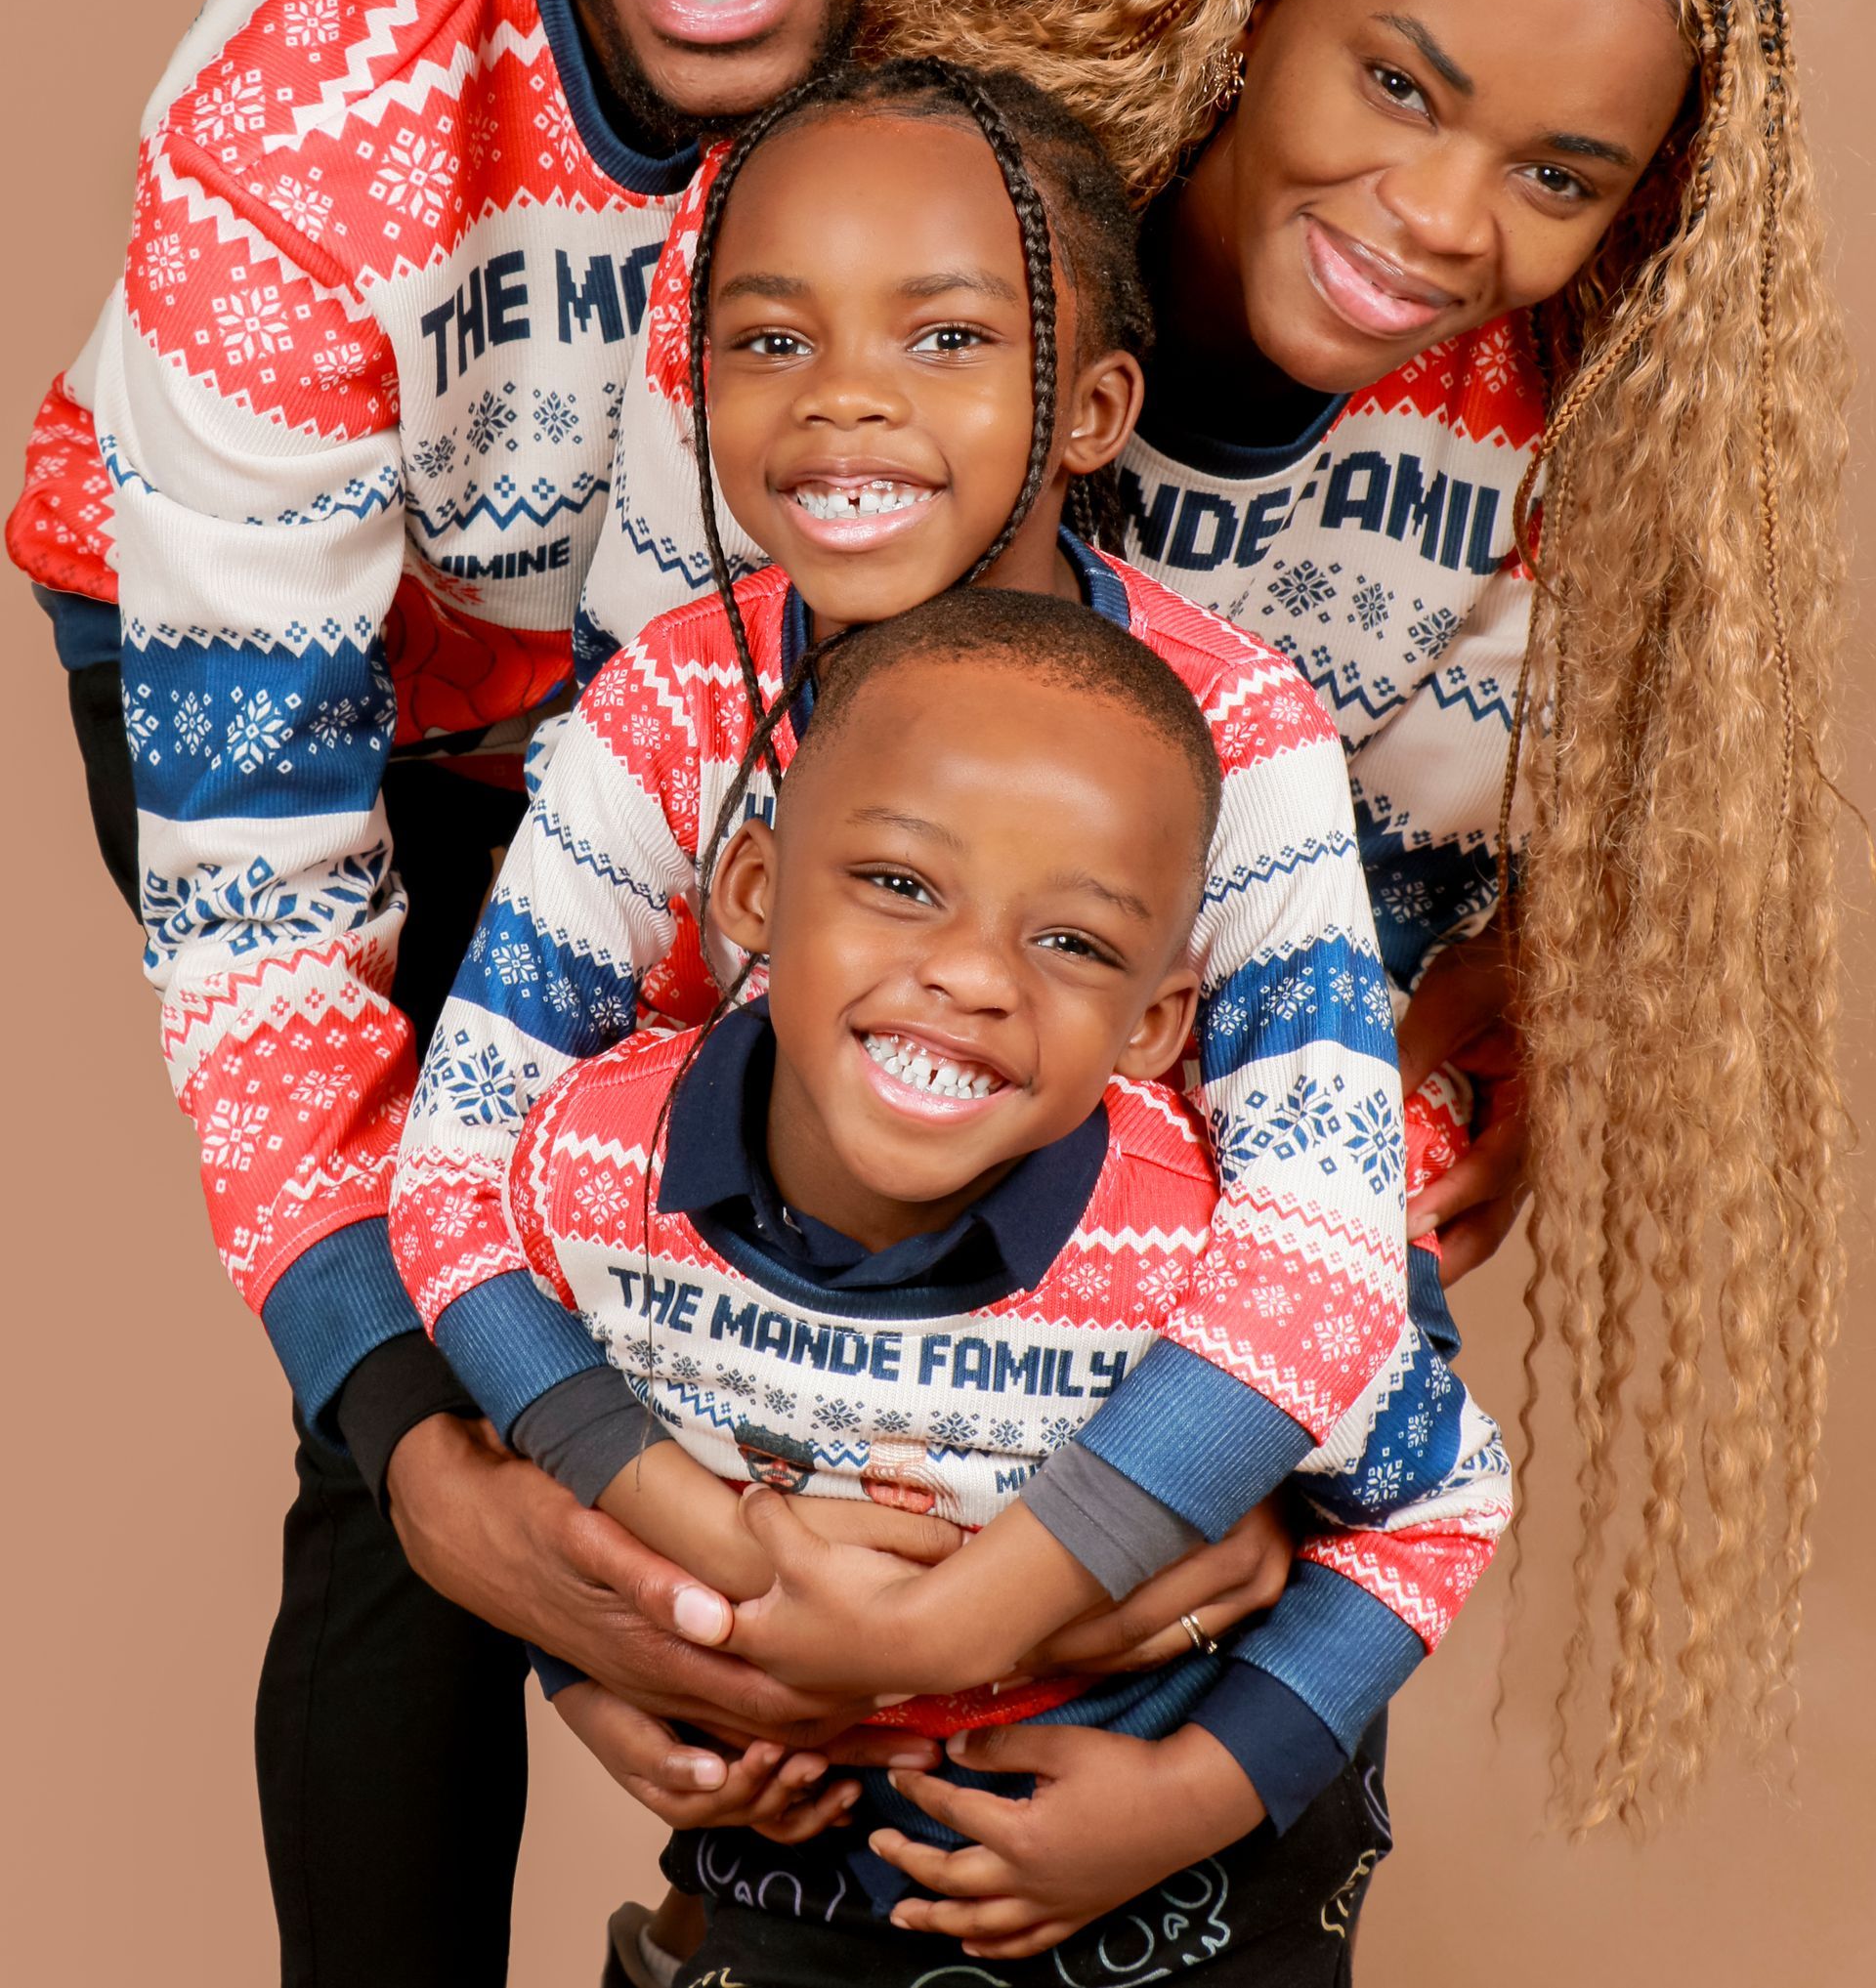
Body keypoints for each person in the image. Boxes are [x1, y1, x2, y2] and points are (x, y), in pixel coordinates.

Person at [6, 0, 1175, 1984]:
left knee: (868, 1237)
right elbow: (262, 922)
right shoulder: (293, 122)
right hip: (347, 703)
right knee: (412, 1408)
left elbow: (1338, 356)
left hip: (780, 659)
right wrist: (441, 1446)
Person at [394, 58, 1506, 1976]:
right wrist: (661, 1601)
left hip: (1137, 1645)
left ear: (1086, 406)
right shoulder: (672, 706)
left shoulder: (1229, 726)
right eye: (772, 335)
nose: (847, 395)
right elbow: (483, 1174)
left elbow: (1322, 1275)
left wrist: (969, 1633)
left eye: (946, 334)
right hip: (786, 1595)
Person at [876, 0, 1850, 1820]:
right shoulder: (983, 248)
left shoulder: (1564, 416)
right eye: (1399, 84)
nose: (1433, 213)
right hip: (922, 1129)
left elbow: (1482, 877)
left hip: (1266, 1186)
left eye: (1556, 176)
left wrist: (1535, 974)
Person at [496, 590, 1508, 1981]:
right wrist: (600, 1672)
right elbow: (535, 1457)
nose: (971, 973)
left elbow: (1439, 1504)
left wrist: (1194, 1792)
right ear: (751, 895)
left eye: (1073, 941)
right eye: (902, 883)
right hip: (795, 1902)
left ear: (1154, 1027)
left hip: (1195, 1915)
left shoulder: (1213, 1261)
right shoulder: (595, 1177)